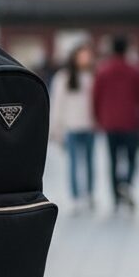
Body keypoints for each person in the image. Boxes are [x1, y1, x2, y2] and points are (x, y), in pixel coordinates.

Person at [92, 35, 139, 210]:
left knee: (113, 160)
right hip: (131, 121)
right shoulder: (135, 70)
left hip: (110, 122)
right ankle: (126, 183)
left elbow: (96, 96)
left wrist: (97, 117)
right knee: (132, 157)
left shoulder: (103, 70)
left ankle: (115, 196)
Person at [49, 43, 96, 210]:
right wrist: (56, 129)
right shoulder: (64, 77)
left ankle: (90, 193)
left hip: (90, 126)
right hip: (71, 126)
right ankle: (75, 196)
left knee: (90, 162)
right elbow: (57, 104)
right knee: (74, 163)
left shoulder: (92, 76)